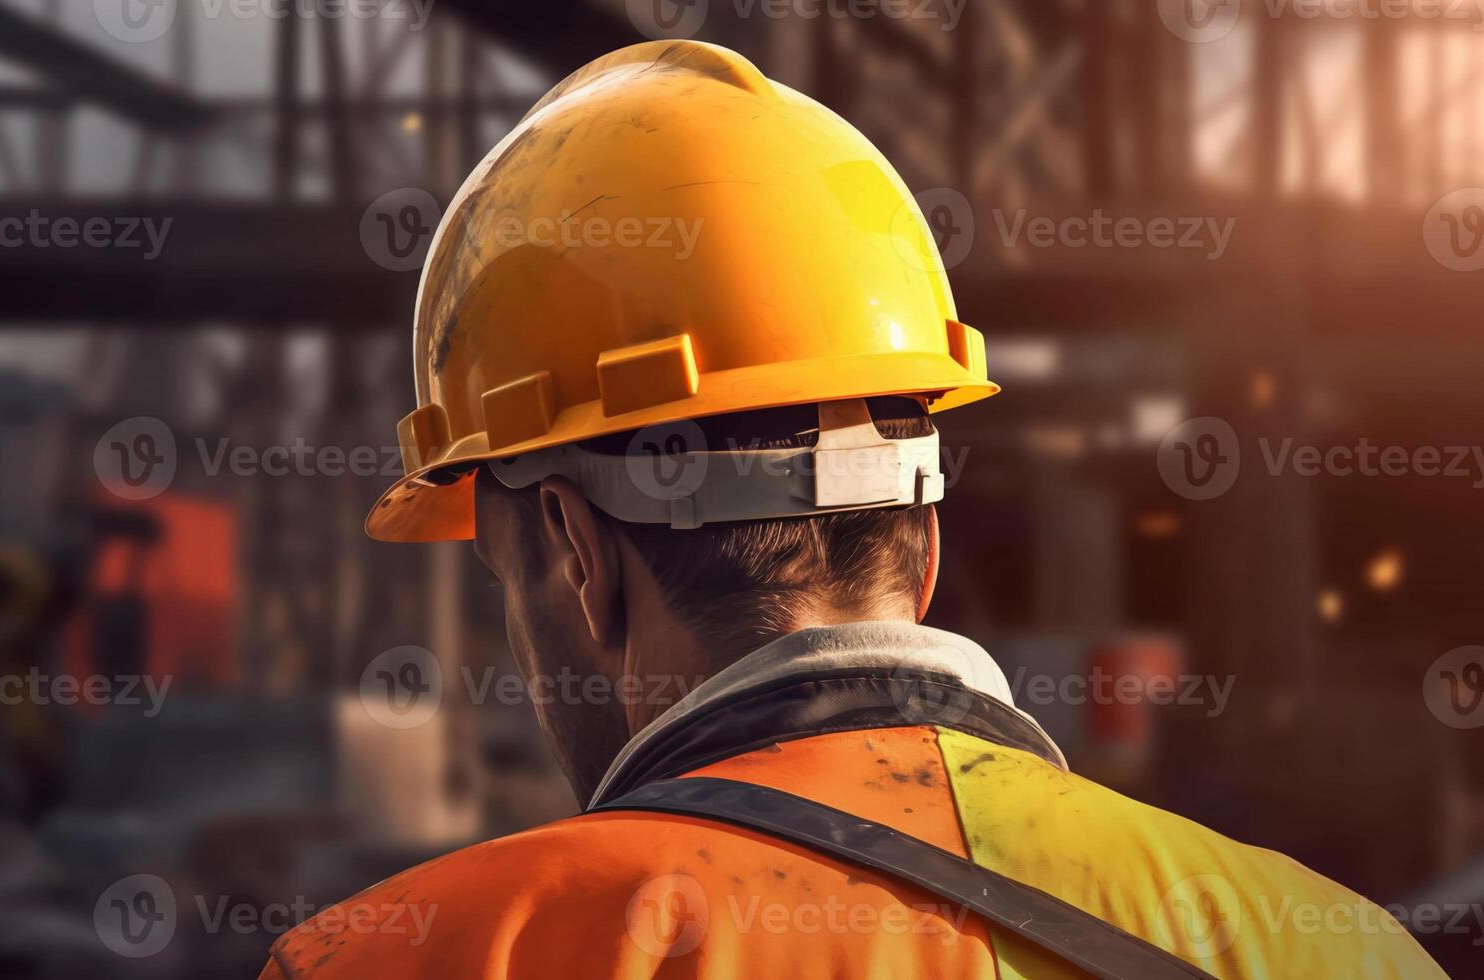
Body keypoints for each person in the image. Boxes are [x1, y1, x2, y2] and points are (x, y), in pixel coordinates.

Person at [260, 40, 1444, 979]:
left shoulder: (426, 955)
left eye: (507, 581)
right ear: (921, 542)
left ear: (575, 552)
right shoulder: (1336, 948)